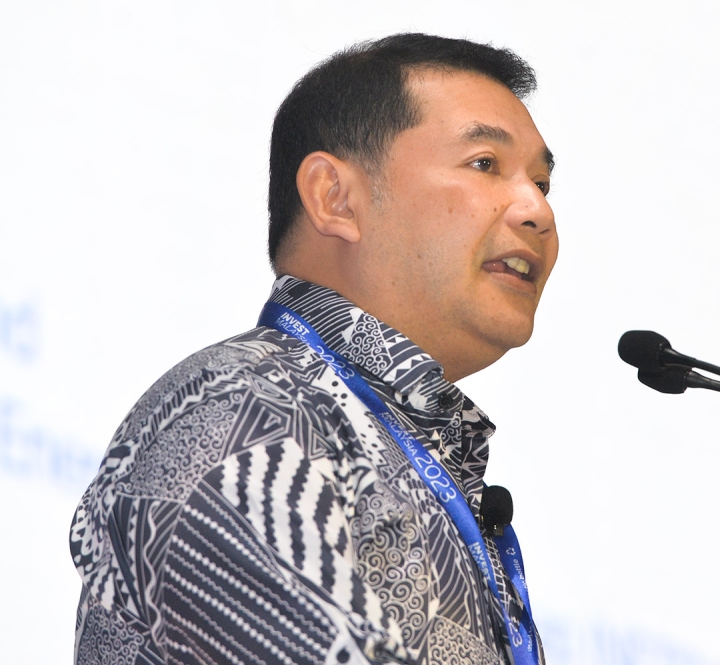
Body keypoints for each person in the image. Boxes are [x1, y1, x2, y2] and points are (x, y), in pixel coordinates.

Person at [68, 34, 557, 665]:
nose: (537, 209)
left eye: (543, 183)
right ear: (335, 197)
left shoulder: (406, 450)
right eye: (486, 164)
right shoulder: (245, 409)